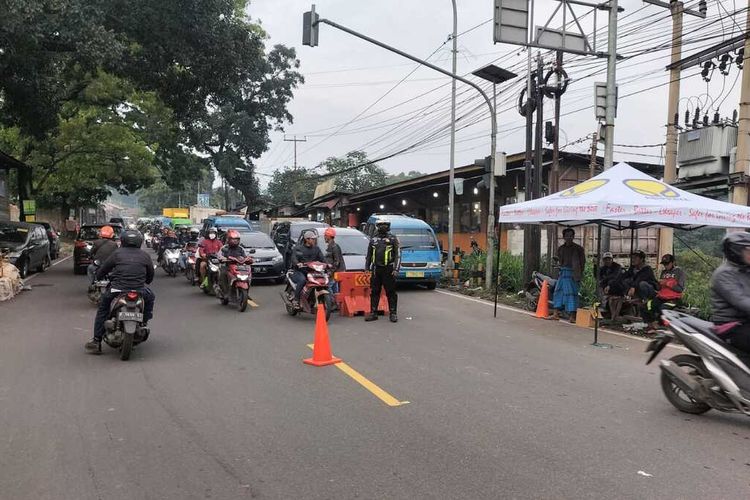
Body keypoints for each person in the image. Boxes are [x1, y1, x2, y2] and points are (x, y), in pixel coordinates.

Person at [85, 229, 155, 354]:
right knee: (151, 298)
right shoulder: (145, 255)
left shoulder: (117, 254)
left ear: (123, 240)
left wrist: (99, 277)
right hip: (139, 290)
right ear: (139, 241)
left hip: (117, 289)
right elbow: (150, 276)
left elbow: (104, 269)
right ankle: (144, 320)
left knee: (103, 309)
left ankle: (96, 341)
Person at [711, 232, 750, 354]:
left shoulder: (745, 270)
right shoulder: (723, 274)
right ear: (736, 251)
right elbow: (741, 301)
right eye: (748, 250)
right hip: (731, 324)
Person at [365, 220, 400, 323]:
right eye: (380, 225)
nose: (383, 227)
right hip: (376, 269)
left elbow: (398, 255)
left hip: (388, 269)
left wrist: (396, 269)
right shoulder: (373, 239)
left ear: (388, 226)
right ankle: (373, 312)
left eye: (385, 225)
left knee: (391, 292)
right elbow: (369, 255)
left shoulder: (393, 239)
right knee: (375, 291)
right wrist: (367, 268)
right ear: (377, 226)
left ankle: (393, 313)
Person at [609, 250, 659, 322]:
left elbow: (640, 278)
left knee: (642, 284)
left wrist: (633, 287)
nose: (633, 259)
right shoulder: (633, 268)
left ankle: (644, 301)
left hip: (649, 291)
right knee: (624, 282)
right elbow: (623, 276)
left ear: (641, 259)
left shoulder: (647, 269)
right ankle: (615, 315)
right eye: (632, 257)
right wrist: (610, 285)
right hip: (637, 290)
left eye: (635, 258)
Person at [549, 228, 586, 322]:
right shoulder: (561, 249)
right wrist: (557, 262)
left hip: (573, 274)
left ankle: (572, 316)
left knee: (572, 294)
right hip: (562, 273)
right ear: (563, 237)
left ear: (573, 237)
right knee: (558, 292)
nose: (569, 237)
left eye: (571, 235)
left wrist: (579, 275)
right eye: (567, 235)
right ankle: (555, 313)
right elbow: (559, 261)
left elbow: (582, 263)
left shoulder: (578, 249)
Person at [642, 254, 687, 331]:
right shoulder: (663, 272)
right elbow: (660, 288)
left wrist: (667, 283)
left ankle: (662, 326)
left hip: (674, 299)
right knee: (647, 306)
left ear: (673, 262)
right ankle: (651, 325)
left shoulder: (679, 272)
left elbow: (680, 289)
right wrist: (658, 284)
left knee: (663, 308)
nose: (665, 266)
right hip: (661, 297)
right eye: (664, 264)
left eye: (667, 264)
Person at [289, 230, 327, 309]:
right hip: (300, 271)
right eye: (312, 239)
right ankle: (296, 300)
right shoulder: (298, 248)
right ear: (307, 239)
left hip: (313, 271)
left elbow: (322, 259)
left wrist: (327, 264)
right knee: (302, 280)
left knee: (323, 281)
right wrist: (297, 263)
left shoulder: (316, 249)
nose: (314, 240)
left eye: (314, 239)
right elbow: (294, 258)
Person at [217, 229, 248, 297]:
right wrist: (223, 258)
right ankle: (225, 292)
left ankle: (245, 291)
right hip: (227, 266)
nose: (235, 241)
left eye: (237, 239)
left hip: (238, 267)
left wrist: (248, 259)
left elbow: (245, 256)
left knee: (248, 275)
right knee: (223, 275)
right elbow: (219, 255)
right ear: (229, 239)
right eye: (233, 239)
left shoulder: (241, 248)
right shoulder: (224, 247)